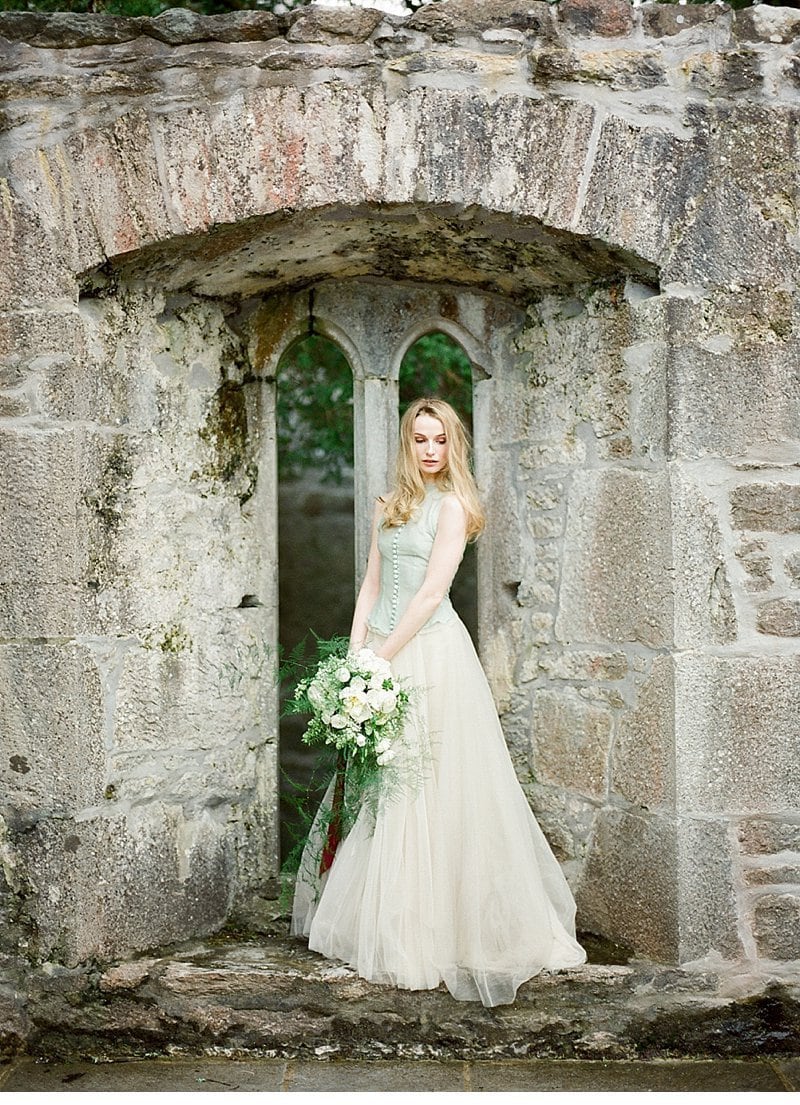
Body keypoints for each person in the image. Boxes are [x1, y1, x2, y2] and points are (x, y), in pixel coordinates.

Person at [291, 397, 586, 1006]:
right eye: (420, 439)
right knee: (384, 783)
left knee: (432, 784)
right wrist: (355, 658)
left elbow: (429, 595)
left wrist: (383, 656)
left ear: (454, 445)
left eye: (440, 440)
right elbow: (371, 583)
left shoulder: (454, 508)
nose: (430, 450)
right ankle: (389, 923)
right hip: (379, 652)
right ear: (408, 444)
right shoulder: (388, 507)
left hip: (430, 655)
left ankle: (447, 930)